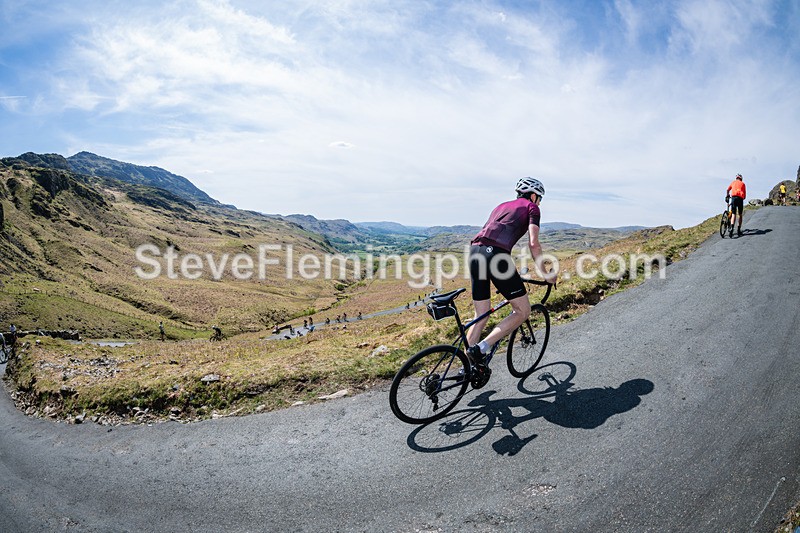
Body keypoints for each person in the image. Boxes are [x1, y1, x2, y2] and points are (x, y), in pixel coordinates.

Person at [466, 177, 557, 379]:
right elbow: (534, 244)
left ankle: (469, 368)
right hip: (496, 256)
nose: (539, 202)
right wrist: (546, 274)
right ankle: (482, 348)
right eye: (539, 198)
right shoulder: (532, 207)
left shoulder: (501, 206)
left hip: (474, 252)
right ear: (534, 195)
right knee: (522, 310)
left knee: (481, 314)